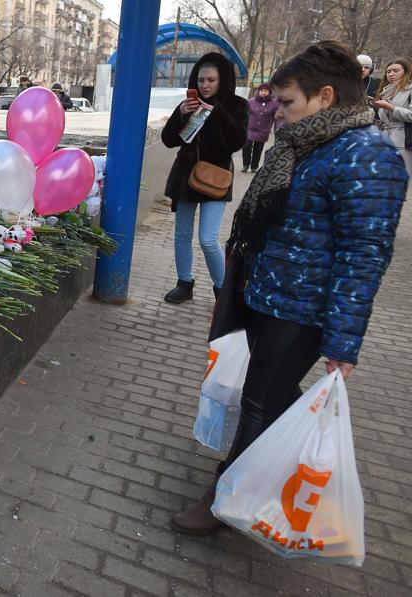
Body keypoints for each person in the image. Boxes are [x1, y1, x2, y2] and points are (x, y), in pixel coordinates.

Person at [171, 41, 408, 536]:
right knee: (273, 394)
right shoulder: (303, 143)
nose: (278, 112)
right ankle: (283, 473)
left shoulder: (370, 157)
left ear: (325, 96)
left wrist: (344, 344)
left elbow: (363, 258)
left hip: (302, 309)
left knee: (260, 399)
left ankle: (224, 497)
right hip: (265, 292)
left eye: (287, 103)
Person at [160, 52, 249, 303]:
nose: (205, 85)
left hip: (216, 178)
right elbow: (169, 141)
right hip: (186, 178)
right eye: (201, 80)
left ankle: (224, 290)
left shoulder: (237, 106)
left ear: (222, 80)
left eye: (211, 80)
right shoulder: (190, 104)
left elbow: (236, 142)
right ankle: (184, 283)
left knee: (208, 239)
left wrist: (216, 111)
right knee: (182, 234)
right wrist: (180, 114)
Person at [371, 57, 412, 174]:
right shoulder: (386, 91)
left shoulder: (410, 89)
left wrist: (391, 107)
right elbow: (383, 120)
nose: (391, 74)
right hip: (384, 140)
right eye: (388, 71)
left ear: (406, 71)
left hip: (404, 141)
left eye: (396, 71)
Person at [242, 84, 279, 173]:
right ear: (258, 91)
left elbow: (277, 118)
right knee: (246, 146)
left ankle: (254, 167)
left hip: (263, 130)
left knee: (258, 149)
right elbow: (244, 114)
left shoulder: (274, 104)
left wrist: (278, 129)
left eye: (265, 91)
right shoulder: (251, 101)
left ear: (269, 92)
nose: (263, 92)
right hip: (250, 128)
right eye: (261, 91)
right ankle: (245, 165)